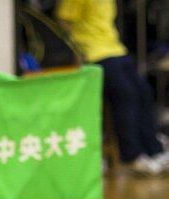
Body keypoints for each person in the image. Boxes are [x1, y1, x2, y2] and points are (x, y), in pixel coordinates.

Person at [56, 0, 169, 176]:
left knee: (144, 92)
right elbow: (64, 20)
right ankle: (132, 156)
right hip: (94, 52)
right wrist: (78, 48)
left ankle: (155, 150)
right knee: (126, 96)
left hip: (117, 49)